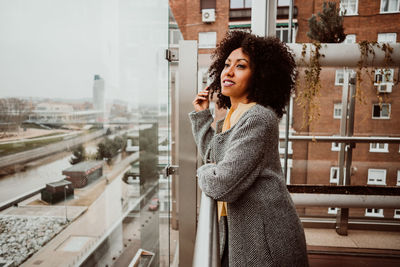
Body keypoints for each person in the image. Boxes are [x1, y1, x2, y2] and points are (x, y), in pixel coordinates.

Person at [189, 31, 309, 267]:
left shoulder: (258, 118)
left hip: (266, 239)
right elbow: (214, 156)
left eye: (241, 66)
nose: (228, 72)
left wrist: (203, 171)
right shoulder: (235, 116)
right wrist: (203, 115)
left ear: (260, 76)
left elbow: (221, 184)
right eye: (226, 65)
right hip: (245, 232)